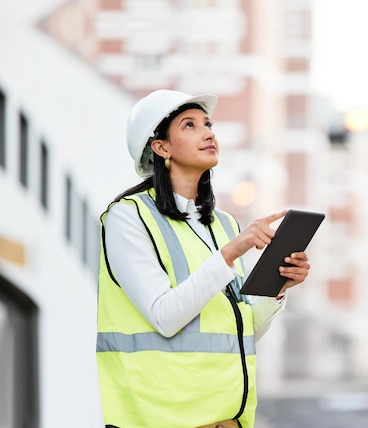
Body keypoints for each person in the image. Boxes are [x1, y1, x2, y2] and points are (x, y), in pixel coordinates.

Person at [96, 89, 311, 428]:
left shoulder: (225, 224)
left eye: (208, 124)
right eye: (190, 125)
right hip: (159, 420)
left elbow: (244, 331)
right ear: (161, 148)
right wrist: (229, 254)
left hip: (228, 421)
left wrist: (278, 284)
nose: (209, 132)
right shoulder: (128, 218)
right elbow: (164, 316)